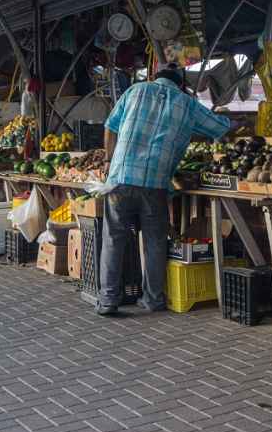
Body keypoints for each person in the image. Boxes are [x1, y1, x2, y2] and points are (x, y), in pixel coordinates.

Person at [98, 63, 233, 316]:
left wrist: (108, 160)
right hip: (156, 184)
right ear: (181, 85)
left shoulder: (135, 91)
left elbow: (110, 125)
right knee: (155, 242)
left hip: (120, 179)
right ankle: (153, 300)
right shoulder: (187, 103)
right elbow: (221, 127)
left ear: (154, 77)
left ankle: (107, 300)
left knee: (114, 239)